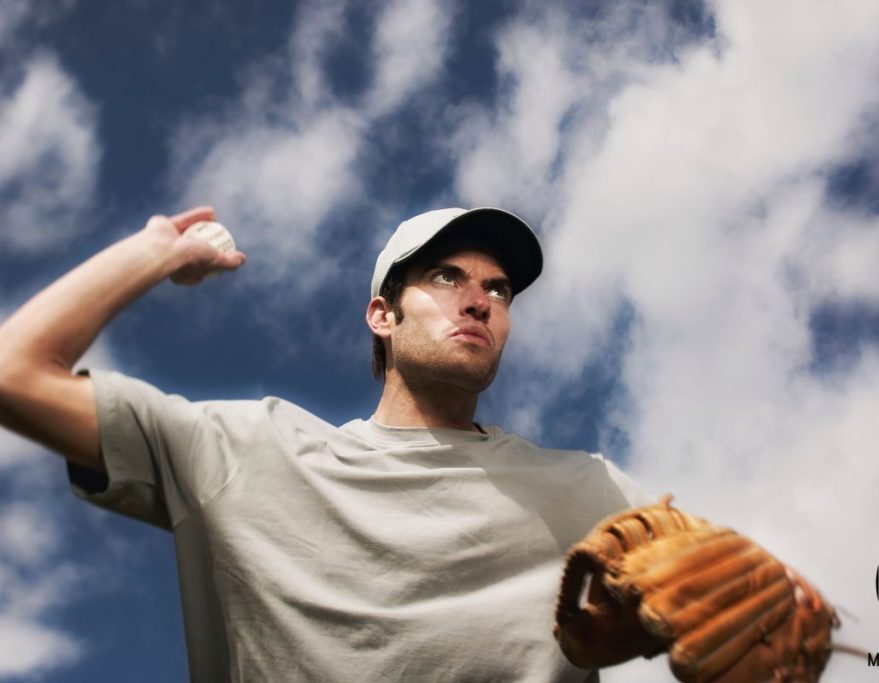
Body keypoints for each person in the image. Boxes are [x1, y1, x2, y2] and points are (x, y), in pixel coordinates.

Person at [0, 206, 653, 682]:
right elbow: (13, 374)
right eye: (446, 277)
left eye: (498, 289)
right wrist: (154, 253)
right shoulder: (251, 452)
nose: (479, 301)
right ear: (382, 316)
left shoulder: (589, 491)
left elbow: (719, 608)